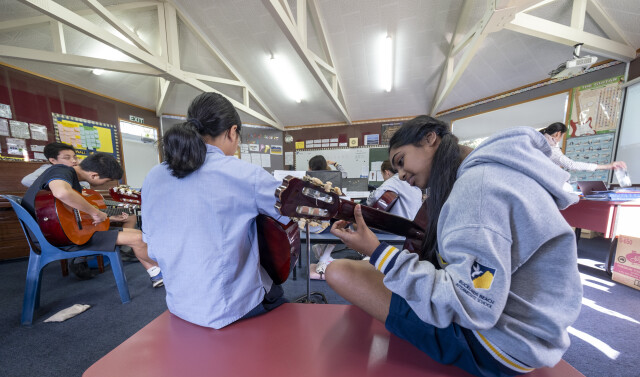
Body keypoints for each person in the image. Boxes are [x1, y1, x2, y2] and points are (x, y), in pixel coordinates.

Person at [325, 116, 583, 377]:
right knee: (376, 275)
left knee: (340, 272)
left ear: (430, 138)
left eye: (402, 161)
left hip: (497, 345)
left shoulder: (477, 188)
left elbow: (473, 305)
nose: (402, 176)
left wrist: (378, 252)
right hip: (530, 332)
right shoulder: (496, 172)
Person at [141, 92, 289, 329]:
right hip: (231, 309)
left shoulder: (154, 175)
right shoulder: (246, 174)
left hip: (179, 303)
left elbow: (150, 245)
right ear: (232, 131)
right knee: (276, 287)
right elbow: (289, 214)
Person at [21, 152, 164, 287]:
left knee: (138, 235)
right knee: (138, 238)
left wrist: (108, 217)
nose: (106, 183)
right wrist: (95, 212)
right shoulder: (61, 170)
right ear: (94, 175)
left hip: (58, 233)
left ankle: (156, 273)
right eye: (107, 180)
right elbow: (62, 192)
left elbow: (74, 214)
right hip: (54, 237)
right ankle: (161, 272)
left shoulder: (72, 179)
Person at [309, 160, 423, 280]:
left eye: (383, 175)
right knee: (352, 219)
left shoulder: (394, 181)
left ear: (387, 172)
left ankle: (361, 254)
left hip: (396, 229)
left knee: (351, 221)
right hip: (411, 226)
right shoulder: (414, 183)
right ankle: (334, 250)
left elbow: (372, 199)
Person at [540, 122, 627, 176]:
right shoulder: (550, 149)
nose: (561, 139)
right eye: (562, 136)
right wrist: (607, 166)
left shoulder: (541, 140)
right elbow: (572, 165)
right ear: (558, 134)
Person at [21, 142, 89, 188]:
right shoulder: (48, 169)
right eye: (67, 158)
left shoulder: (76, 171)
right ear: (53, 161)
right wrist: (56, 186)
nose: (74, 161)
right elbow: (27, 180)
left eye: (75, 157)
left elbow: (85, 187)